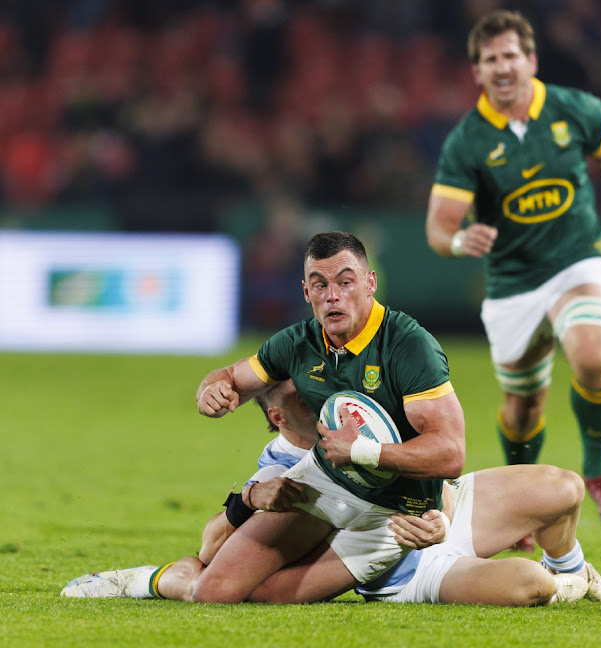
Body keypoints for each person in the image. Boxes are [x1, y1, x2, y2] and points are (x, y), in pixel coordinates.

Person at [66, 231, 466, 604]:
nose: (333, 296)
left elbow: (450, 454)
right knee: (215, 591)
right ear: (306, 291)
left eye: (345, 282)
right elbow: (232, 378)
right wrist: (213, 390)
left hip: (392, 514)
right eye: (320, 285)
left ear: (370, 283)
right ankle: (145, 579)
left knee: (266, 597)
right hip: (327, 483)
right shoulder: (298, 344)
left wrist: (362, 450)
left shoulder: (409, 346)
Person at [425, 10, 601, 544]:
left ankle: (598, 470)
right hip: (512, 282)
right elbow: (439, 227)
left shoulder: (572, 108)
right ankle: (521, 500)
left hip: (579, 259)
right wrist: (462, 240)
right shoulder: (468, 141)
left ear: (531, 60)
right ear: (477, 72)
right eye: (491, 59)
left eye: (511, 55)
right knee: (522, 406)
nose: (503, 66)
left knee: (591, 355)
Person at [62, 379, 601, 606]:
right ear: (280, 415)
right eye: (303, 396)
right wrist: (250, 501)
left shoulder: (348, 409)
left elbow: (427, 459)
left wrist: (437, 506)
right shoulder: (287, 473)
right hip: (408, 567)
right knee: (531, 586)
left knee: (564, 487)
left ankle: (577, 569)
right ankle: (150, 579)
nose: (318, 393)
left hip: (450, 511)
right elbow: (215, 542)